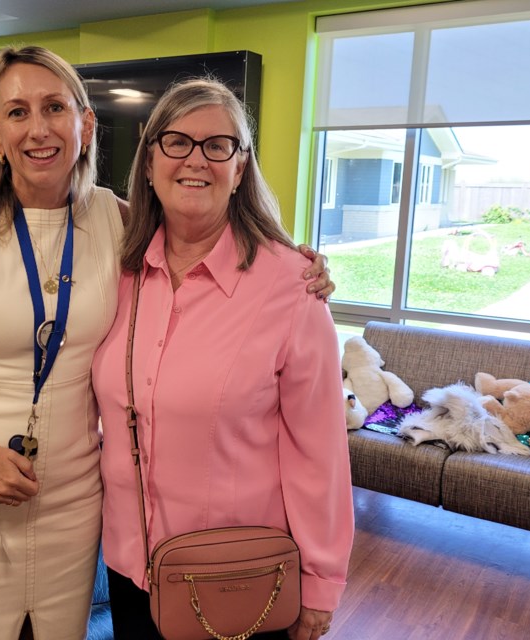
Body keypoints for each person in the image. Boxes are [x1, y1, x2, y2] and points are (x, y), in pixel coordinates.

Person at [0, 45, 334, 640]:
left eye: (54, 107)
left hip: (74, 505)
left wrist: (300, 263)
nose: (38, 129)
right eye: (17, 112)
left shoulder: (117, 224)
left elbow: (211, 222)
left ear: (85, 125)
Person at [91, 78, 354, 640]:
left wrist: (320, 580)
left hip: (236, 577)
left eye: (219, 145)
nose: (196, 159)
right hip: (131, 568)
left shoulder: (290, 286)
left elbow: (320, 453)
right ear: (149, 157)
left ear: (240, 168)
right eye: (176, 142)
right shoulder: (117, 272)